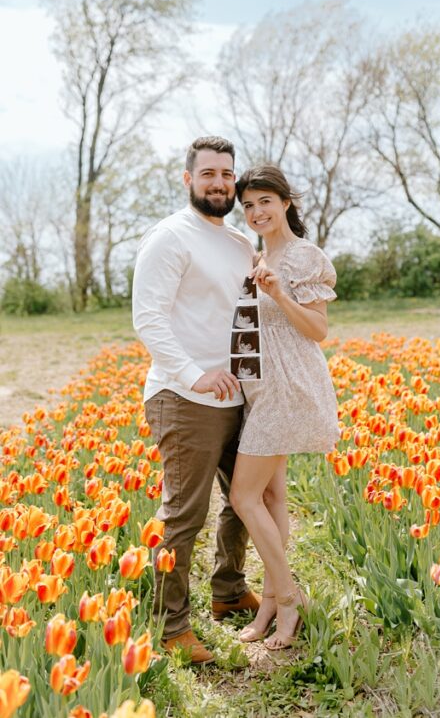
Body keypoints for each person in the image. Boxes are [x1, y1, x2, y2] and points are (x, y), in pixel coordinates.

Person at [132, 136, 263, 666]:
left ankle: (228, 590)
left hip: (238, 395)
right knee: (185, 514)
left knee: (245, 501)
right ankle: (171, 628)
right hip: (184, 397)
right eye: (208, 173)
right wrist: (192, 373)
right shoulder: (169, 237)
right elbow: (149, 319)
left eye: (227, 174)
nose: (219, 183)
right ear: (188, 179)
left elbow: (246, 318)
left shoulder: (236, 242)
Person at [227, 164, 340, 649]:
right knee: (271, 498)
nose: (256, 212)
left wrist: (278, 292)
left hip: (290, 386)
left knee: (242, 498)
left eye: (264, 201)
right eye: (248, 205)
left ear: (286, 202)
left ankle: (289, 600)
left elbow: (318, 331)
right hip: (260, 388)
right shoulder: (254, 256)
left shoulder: (302, 257)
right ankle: (271, 601)